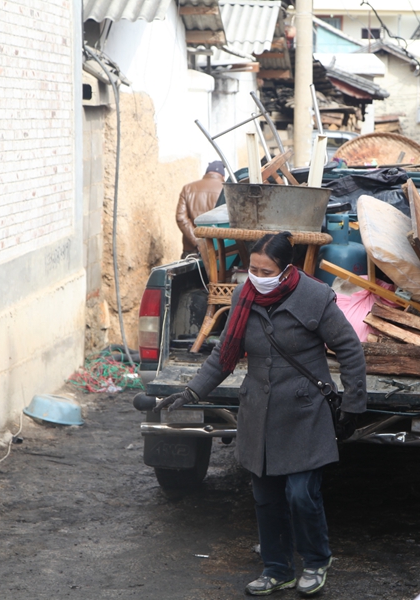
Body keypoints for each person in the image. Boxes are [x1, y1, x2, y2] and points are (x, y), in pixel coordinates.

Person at [155, 232, 367, 596]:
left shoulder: (315, 297)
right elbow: (223, 356)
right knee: (266, 497)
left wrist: (353, 404)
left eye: (265, 270)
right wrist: (190, 392)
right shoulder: (242, 297)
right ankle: (277, 568)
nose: (256, 275)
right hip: (259, 413)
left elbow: (349, 349)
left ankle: (316, 561)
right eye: (252, 267)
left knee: (302, 494)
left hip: (304, 412)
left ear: (286, 271)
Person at [176, 161, 226, 258]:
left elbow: (180, 218)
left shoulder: (187, 188)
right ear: (223, 176)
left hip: (192, 251)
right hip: (218, 252)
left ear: (206, 173)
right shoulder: (226, 190)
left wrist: (197, 241)